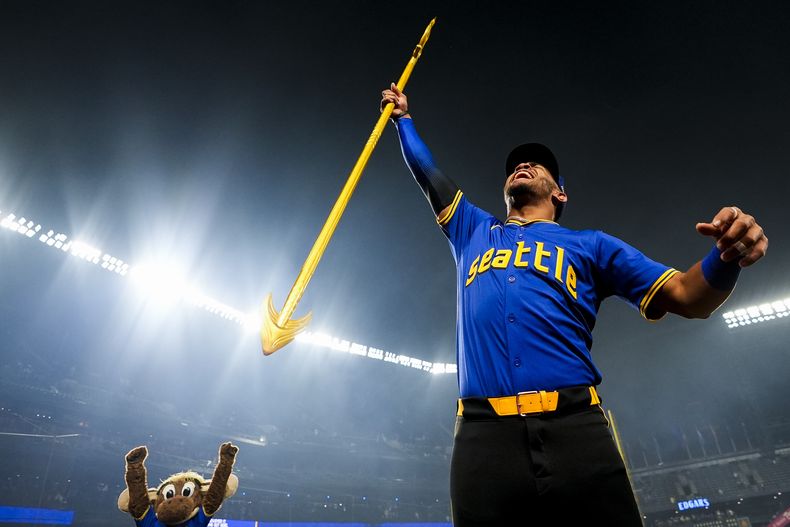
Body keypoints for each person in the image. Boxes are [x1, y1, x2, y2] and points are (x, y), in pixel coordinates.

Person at [380, 83, 767, 525]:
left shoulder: (591, 246)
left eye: (537, 163)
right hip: (483, 436)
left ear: (560, 193)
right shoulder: (472, 230)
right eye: (515, 165)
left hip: (575, 428)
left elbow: (686, 297)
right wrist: (403, 120)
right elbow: (429, 172)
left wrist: (726, 257)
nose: (522, 164)